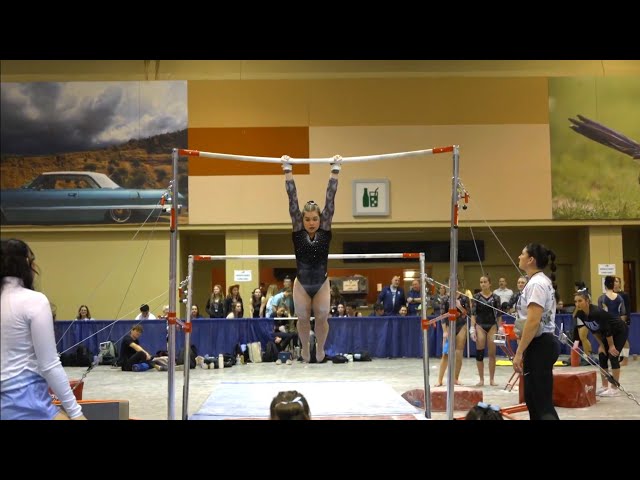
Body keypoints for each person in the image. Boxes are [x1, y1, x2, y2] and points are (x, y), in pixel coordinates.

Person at [1, 238, 86, 420]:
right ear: (26, 264)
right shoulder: (34, 300)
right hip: (22, 398)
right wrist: (76, 413)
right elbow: (49, 365)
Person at [281, 153, 341, 363]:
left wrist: (335, 170)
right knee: (303, 318)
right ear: (302, 219)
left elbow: (330, 199)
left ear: (320, 219)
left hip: (322, 282)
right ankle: (305, 348)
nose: (311, 222)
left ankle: (321, 348)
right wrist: (287, 170)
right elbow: (292, 199)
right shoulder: (298, 229)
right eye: (307, 219)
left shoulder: (325, 229)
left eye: (315, 218)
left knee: (323, 315)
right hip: (302, 283)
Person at [512, 243, 560, 420]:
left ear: (531, 259)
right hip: (538, 345)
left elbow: (533, 321)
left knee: (541, 404)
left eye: (522, 254)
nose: (519, 257)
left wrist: (519, 352)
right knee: (533, 400)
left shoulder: (537, 284)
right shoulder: (537, 282)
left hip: (540, 345)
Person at [574, 288, 628, 397]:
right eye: (575, 301)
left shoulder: (596, 312)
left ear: (587, 301)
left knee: (613, 356)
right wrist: (602, 346)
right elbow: (593, 330)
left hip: (619, 330)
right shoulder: (580, 314)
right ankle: (604, 386)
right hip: (606, 333)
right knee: (602, 355)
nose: (577, 304)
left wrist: (611, 346)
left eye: (580, 301)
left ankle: (614, 387)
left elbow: (608, 330)